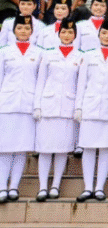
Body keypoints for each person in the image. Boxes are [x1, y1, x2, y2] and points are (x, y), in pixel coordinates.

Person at [33, 19, 82, 202]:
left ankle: (55, 185)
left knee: (62, 149)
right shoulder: (47, 55)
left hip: (68, 107)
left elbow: (80, 84)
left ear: (75, 35)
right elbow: (41, 81)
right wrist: (37, 105)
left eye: (70, 32)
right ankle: (42, 186)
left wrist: (78, 107)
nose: (67, 35)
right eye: (63, 32)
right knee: (45, 149)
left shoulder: (80, 56)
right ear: (58, 34)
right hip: (48, 105)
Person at [75, 20, 108, 202]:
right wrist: (78, 106)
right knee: (88, 147)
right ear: (99, 34)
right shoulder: (88, 56)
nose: (107, 36)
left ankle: (99, 187)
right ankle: (87, 187)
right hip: (90, 106)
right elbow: (81, 83)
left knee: (105, 148)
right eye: (104, 33)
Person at [0, 15, 43, 203]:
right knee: (4, 148)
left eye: (27, 29)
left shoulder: (39, 53)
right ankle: (2, 186)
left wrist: (38, 104)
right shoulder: (4, 51)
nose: (23, 32)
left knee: (21, 148)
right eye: (20, 28)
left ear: (32, 32)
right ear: (14, 31)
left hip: (28, 104)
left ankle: (14, 187)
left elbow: (40, 80)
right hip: (7, 104)